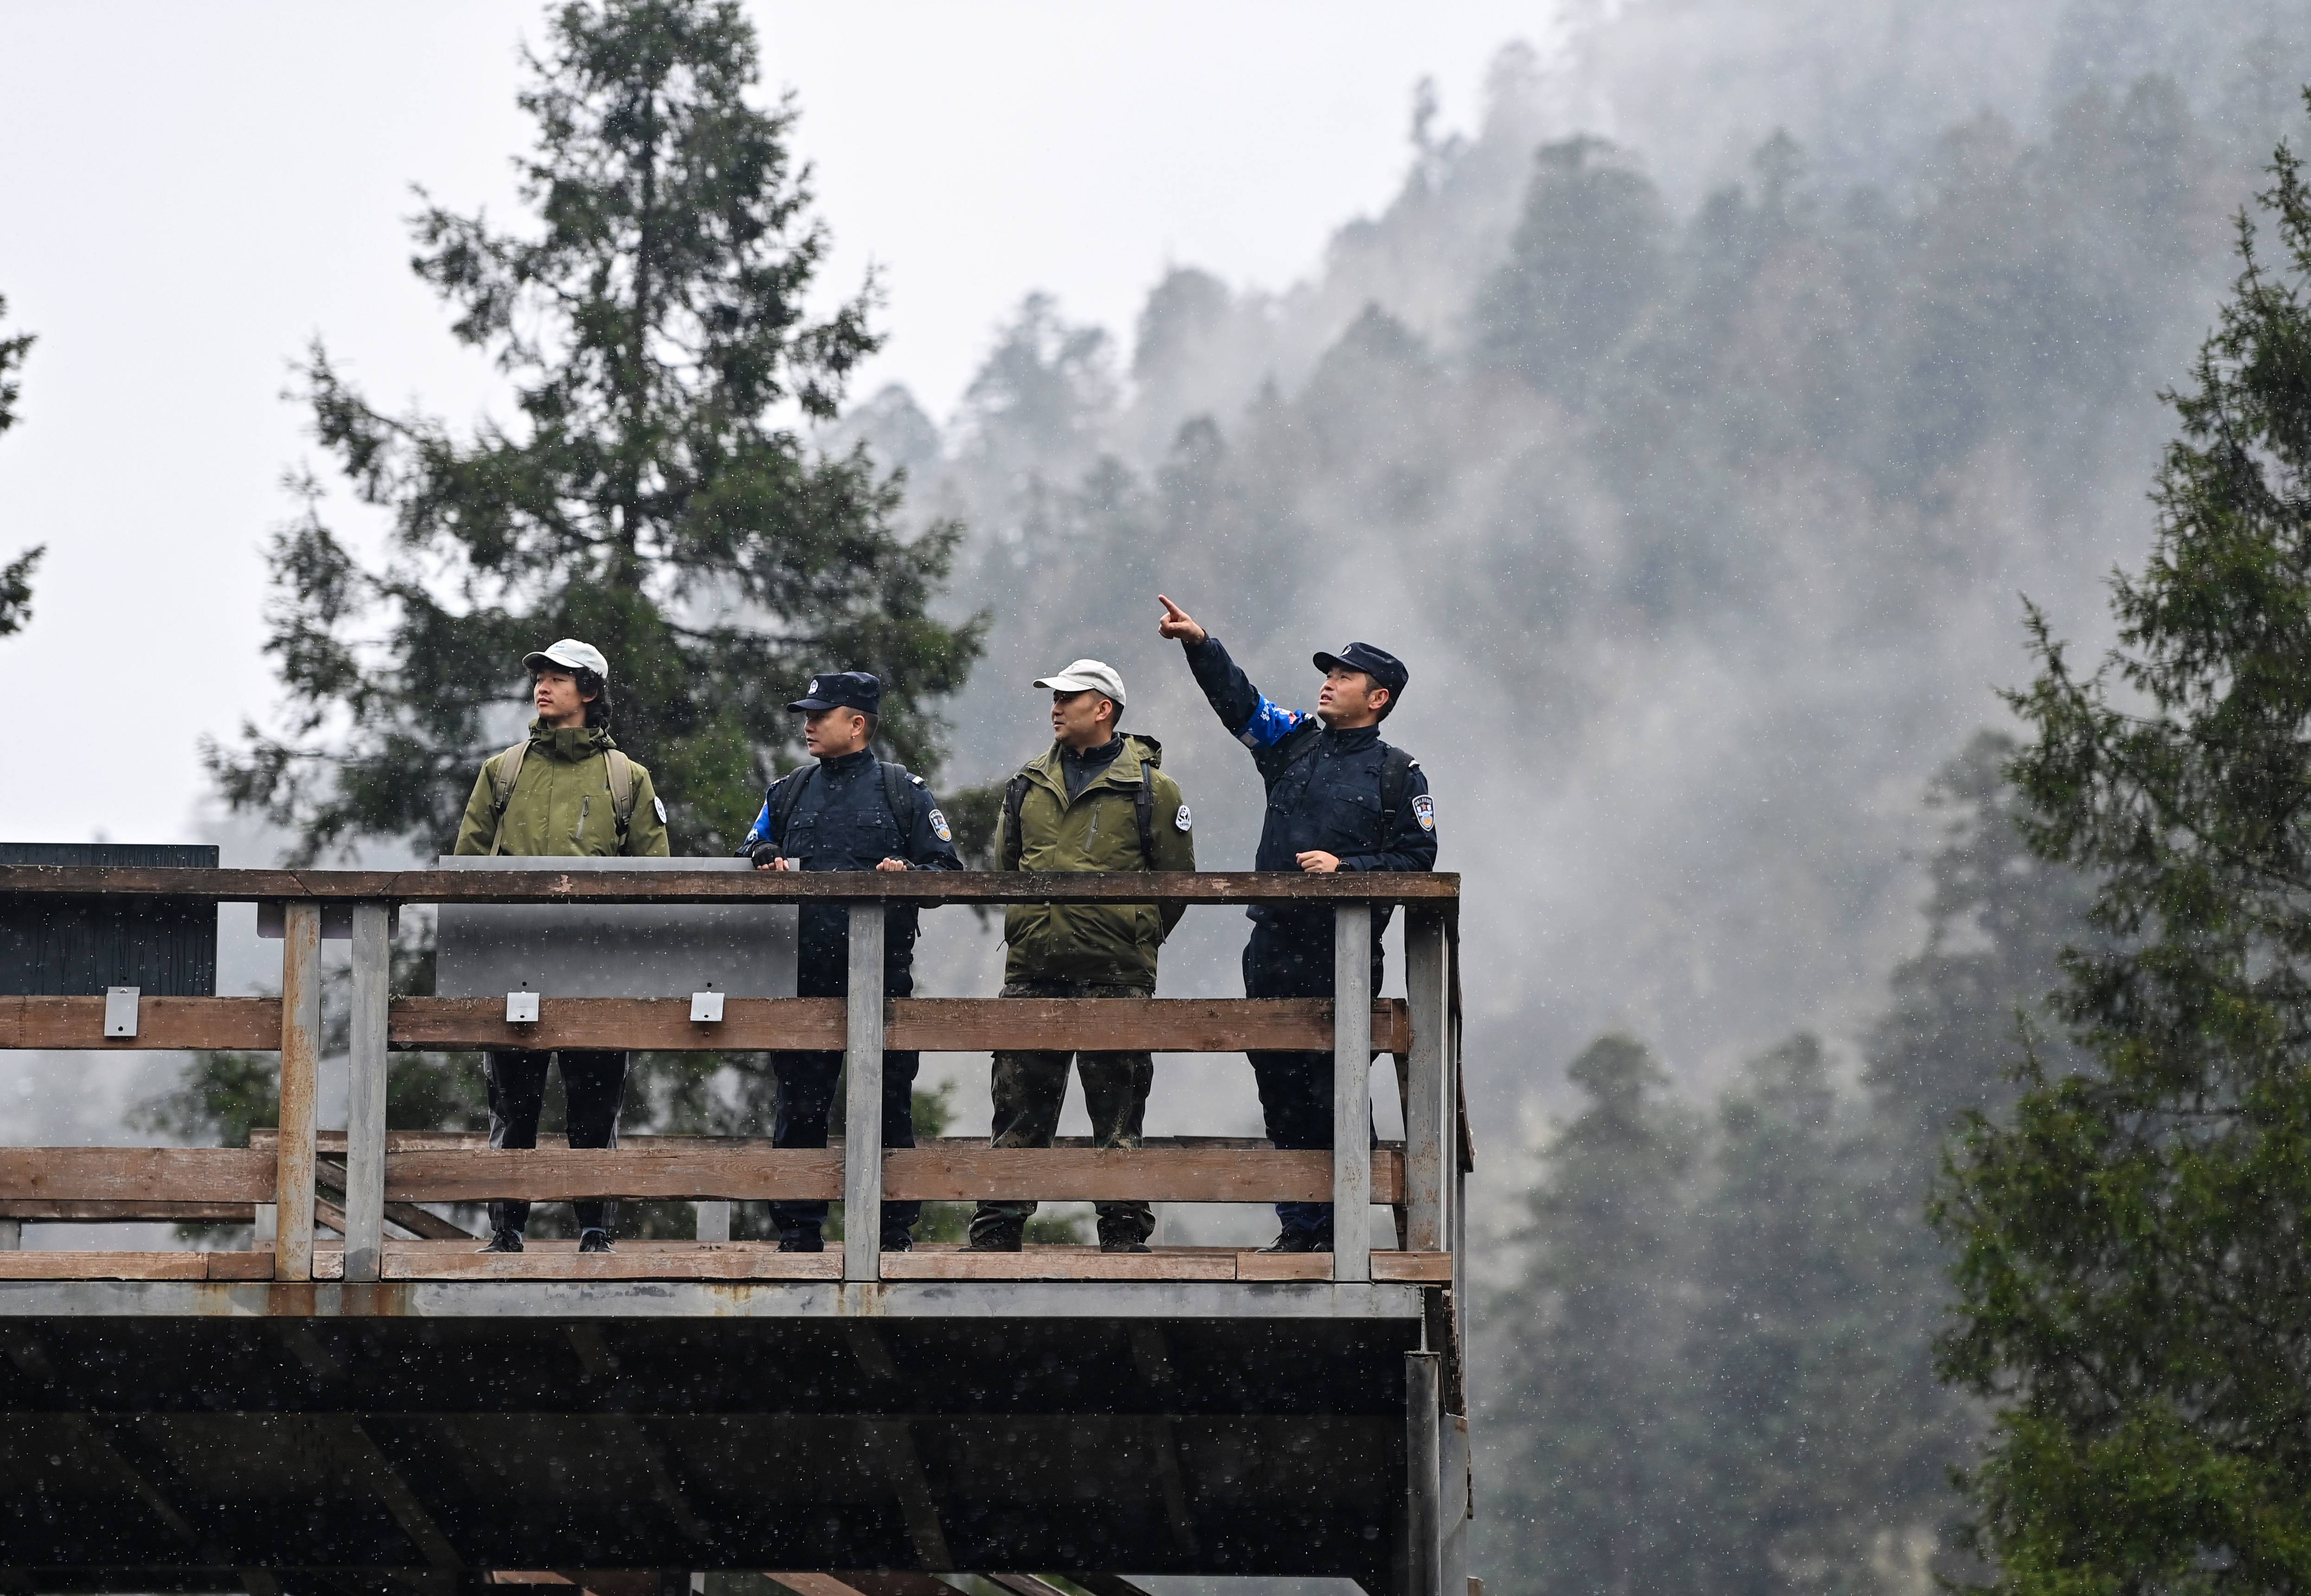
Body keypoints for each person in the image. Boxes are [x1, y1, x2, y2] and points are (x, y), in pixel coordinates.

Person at [1155, 595, 1438, 1253]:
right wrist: (1201, 643)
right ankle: (1299, 1230)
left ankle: (1343, 1232)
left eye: (1344, 675)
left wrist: (1347, 867)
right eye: (1328, 671)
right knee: (1278, 1085)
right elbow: (1240, 703)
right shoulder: (1291, 743)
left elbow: (1418, 859)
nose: (1328, 681)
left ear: (1379, 698)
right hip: (1273, 944)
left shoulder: (1400, 773)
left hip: (1344, 952)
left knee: (1336, 1087)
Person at [968, 660, 1197, 1253]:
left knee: (1119, 1111)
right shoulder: (1026, 784)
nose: (1056, 706)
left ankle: (1122, 1234)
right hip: (1032, 970)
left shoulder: (1153, 788)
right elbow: (1007, 866)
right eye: (1054, 696)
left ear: (1105, 709)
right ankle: (997, 1232)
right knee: (1017, 1105)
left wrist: (1129, 935)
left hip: (1117, 975)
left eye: (1070, 697)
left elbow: (1177, 883)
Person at [452, 637, 671, 1255]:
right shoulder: (503, 771)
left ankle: (594, 1227)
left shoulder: (627, 778)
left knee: (594, 1105)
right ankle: (507, 1228)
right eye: (540, 674)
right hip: (513, 964)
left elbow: (658, 880)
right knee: (512, 1105)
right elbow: (465, 870)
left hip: (598, 971)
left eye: (560, 676)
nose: (543, 684)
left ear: (590, 692)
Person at [739, 671, 961, 1253]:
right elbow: (750, 845)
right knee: (799, 1109)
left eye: (820, 714)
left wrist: (909, 877)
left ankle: (893, 1237)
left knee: (890, 1109)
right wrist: (764, 854)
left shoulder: (902, 791)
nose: (807, 724)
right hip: (803, 982)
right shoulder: (788, 791)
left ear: (857, 723)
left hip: (884, 986)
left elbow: (946, 872)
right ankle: (798, 1234)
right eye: (805, 714)